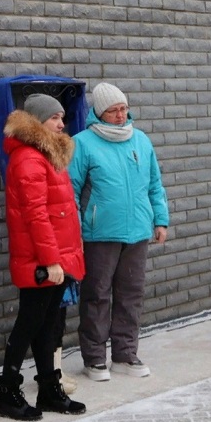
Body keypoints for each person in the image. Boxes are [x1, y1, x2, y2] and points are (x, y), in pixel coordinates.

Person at [0, 93, 86, 421]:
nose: (62, 124)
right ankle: (7, 392)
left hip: (55, 257)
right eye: (54, 119)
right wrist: (51, 261)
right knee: (29, 324)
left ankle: (48, 389)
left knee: (47, 324)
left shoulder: (47, 155)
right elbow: (35, 216)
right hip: (42, 261)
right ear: (36, 122)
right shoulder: (29, 159)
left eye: (62, 117)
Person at [69, 83, 169, 381]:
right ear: (99, 112)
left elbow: (155, 183)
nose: (120, 115)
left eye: (123, 108)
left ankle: (125, 355)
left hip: (138, 231)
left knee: (131, 294)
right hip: (99, 234)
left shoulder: (140, 140)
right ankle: (95, 358)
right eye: (113, 110)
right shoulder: (82, 143)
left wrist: (160, 220)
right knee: (96, 295)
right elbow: (71, 191)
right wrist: (75, 230)